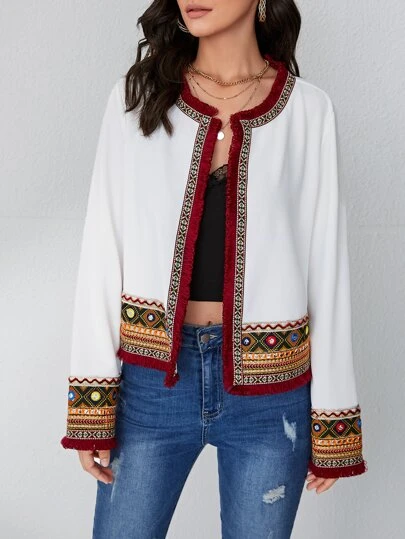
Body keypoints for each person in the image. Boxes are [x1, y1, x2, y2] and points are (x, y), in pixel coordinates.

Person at [61, 0, 368, 537]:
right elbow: (102, 248)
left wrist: (333, 417)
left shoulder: (308, 111)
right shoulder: (137, 98)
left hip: (271, 394)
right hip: (152, 384)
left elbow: (328, 266)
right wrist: (92, 403)